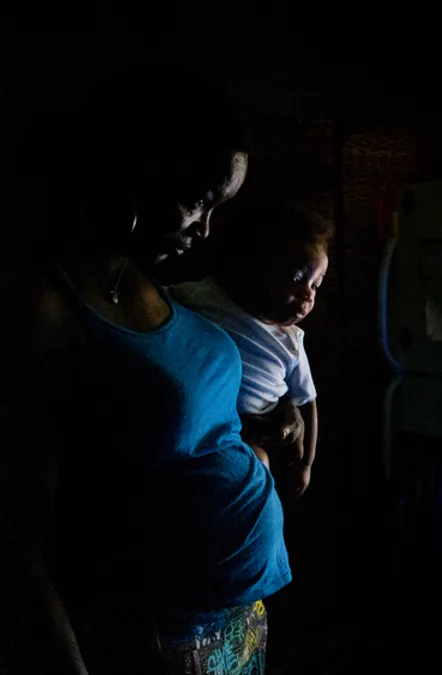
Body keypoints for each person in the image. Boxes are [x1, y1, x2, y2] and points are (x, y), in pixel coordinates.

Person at [0, 65, 290, 674]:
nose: (206, 230)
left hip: (238, 613)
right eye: (199, 201)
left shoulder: (142, 275)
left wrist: (259, 443)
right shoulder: (45, 303)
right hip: (161, 632)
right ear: (140, 172)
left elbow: (175, 427)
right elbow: (24, 546)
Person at [171, 199, 331, 498]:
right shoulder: (204, 297)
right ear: (253, 265)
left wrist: (306, 463)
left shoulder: (291, 342)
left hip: (254, 438)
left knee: (258, 461)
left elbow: (307, 403)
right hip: (197, 426)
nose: (308, 294)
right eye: (296, 278)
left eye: (316, 284)